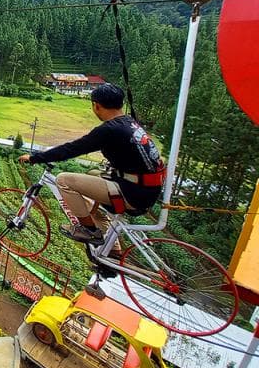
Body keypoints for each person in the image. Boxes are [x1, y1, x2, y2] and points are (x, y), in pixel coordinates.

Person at [18, 83, 165, 247]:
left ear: (96, 106)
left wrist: (34, 158)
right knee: (93, 173)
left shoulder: (108, 130)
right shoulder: (129, 122)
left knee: (63, 180)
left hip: (133, 194)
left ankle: (89, 230)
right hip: (147, 190)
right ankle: (107, 238)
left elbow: (71, 149)